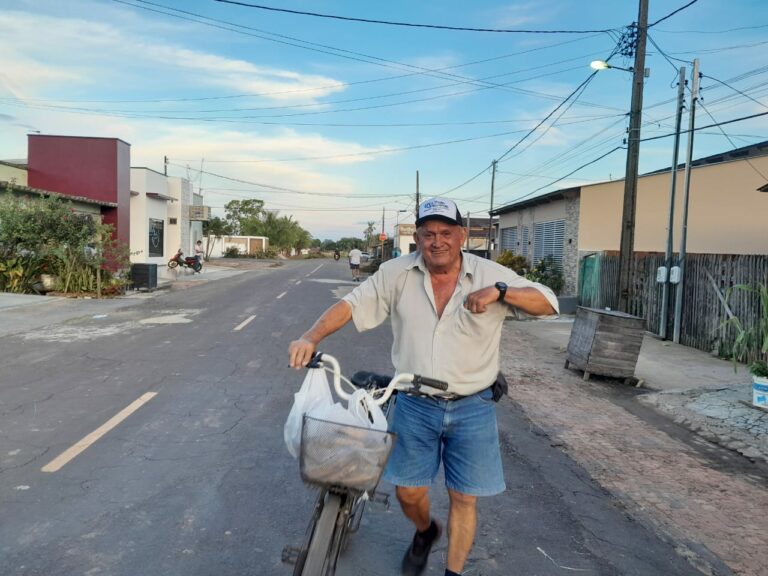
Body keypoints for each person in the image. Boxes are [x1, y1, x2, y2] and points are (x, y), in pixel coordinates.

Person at [288, 197, 558, 576]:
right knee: (408, 492)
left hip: (473, 404)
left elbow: (548, 302)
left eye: (446, 232)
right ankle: (426, 530)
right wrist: (309, 337)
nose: (437, 241)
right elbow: (351, 303)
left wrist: (500, 292)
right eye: (428, 233)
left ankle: (453, 572)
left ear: (462, 235)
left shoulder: (488, 274)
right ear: (417, 237)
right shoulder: (395, 273)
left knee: (464, 497)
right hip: (416, 403)